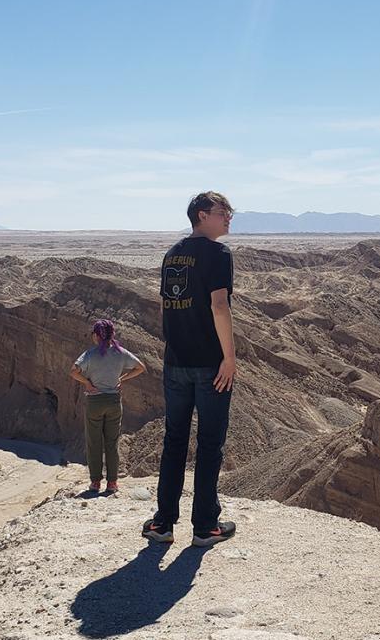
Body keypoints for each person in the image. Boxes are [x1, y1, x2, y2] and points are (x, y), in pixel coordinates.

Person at [143, 191, 237, 547]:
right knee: (210, 445)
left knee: (174, 442)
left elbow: (168, 306)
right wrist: (229, 357)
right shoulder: (218, 253)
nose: (229, 217)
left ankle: (163, 523)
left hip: (175, 362)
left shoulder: (172, 254)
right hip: (209, 364)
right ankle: (205, 527)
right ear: (202, 215)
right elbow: (218, 306)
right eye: (223, 211)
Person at [70, 319, 145, 494]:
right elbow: (141, 367)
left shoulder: (90, 354)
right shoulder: (121, 353)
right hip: (113, 402)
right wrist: (122, 378)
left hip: (95, 402)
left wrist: (87, 383)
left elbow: (73, 371)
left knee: (94, 442)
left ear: (96, 336)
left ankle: (95, 482)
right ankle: (112, 483)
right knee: (112, 443)